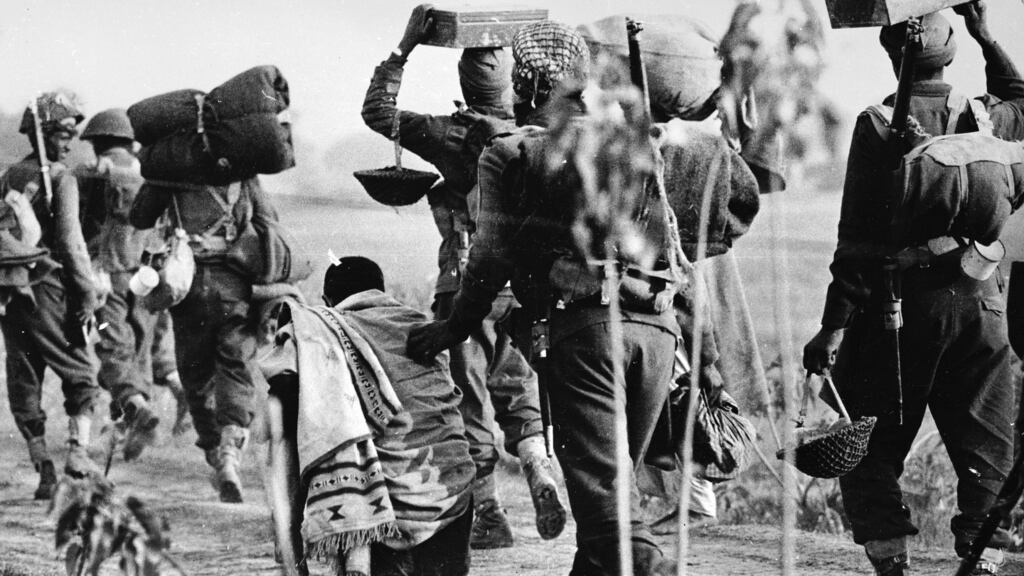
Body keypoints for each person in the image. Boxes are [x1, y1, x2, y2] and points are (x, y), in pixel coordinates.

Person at [408, 20, 686, 575]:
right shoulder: (632, 142)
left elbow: (487, 262)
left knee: (609, 511)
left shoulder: (508, 151)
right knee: (611, 494)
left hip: (586, 336)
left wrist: (452, 329)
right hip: (658, 334)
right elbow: (677, 248)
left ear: (523, 91)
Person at [802, 4, 1024, 575]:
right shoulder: (989, 116)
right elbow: (1023, 95)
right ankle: (983, 559)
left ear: (889, 51)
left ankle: (891, 561)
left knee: (867, 443)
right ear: (951, 52)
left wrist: (832, 329)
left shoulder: (876, 124)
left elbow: (854, 243)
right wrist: (987, 35)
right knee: (988, 443)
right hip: (982, 307)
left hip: (896, 313)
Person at [361, 3, 565, 547]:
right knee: (519, 388)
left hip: (461, 282)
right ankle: (538, 466)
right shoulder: (531, 133)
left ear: (463, 82)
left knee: (466, 398)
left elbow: (377, 112)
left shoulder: (446, 133)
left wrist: (403, 49)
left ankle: (491, 515)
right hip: (520, 286)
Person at [260, 256, 475, 576]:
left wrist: (290, 526)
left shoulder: (315, 328)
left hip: (378, 505)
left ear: (327, 301)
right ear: (381, 291)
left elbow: (283, 398)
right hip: (451, 489)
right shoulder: (420, 325)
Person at [130, 174, 274, 503]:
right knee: (236, 369)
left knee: (195, 377)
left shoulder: (175, 171)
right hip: (236, 288)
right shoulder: (245, 177)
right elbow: (270, 224)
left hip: (189, 285)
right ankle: (229, 457)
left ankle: (215, 453)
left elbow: (139, 215)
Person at [0, 92, 102, 498]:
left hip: (10, 292)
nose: (67, 141)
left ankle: (43, 466)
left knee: (23, 377)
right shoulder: (61, 177)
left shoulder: (9, 176)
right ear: (42, 134)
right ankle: (76, 458)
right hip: (49, 290)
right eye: (60, 133)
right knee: (82, 372)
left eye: (71, 134)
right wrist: (88, 295)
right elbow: (72, 243)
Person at [76, 108, 165, 462]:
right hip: (148, 275)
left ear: (99, 141)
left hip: (107, 273)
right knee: (139, 350)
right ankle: (128, 425)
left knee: (113, 348)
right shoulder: (152, 174)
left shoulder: (93, 174)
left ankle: (136, 407)